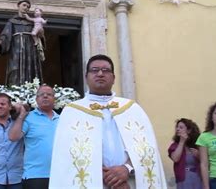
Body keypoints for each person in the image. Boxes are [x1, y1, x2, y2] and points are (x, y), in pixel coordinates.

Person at [49, 54, 167, 189]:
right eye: (94, 70)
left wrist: (126, 169)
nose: (100, 73)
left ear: (113, 78)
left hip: (131, 182)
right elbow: (66, 156)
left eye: (105, 70)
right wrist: (109, 177)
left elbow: (147, 149)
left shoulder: (133, 109)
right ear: (86, 77)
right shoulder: (72, 112)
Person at [9, 84, 59, 189]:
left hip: (60, 174)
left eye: (49, 94)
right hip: (35, 176)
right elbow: (13, 137)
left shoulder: (62, 119)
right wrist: (22, 115)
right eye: (41, 94)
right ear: (36, 99)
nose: (45, 96)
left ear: (54, 98)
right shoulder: (29, 118)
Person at [0, 0, 43, 86]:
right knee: (15, 69)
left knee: (30, 69)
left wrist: (41, 32)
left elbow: (40, 36)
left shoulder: (32, 22)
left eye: (28, 7)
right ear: (18, 6)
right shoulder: (12, 22)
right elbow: (5, 35)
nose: (26, 8)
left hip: (30, 48)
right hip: (16, 49)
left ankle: (31, 88)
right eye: (24, 5)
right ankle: (14, 88)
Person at [168, 118, 202, 189]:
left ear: (189, 130)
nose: (177, 129)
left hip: (197, 178)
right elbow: (175, 158)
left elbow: (207, 162)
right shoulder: (174, 146)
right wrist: (181, 142)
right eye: (177, 127)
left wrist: (199, 156)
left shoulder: (197, 145)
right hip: (183, 179)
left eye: (181, 127)